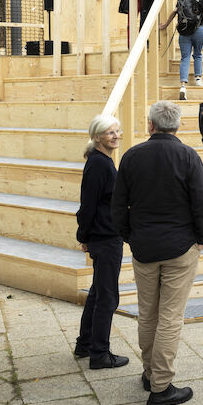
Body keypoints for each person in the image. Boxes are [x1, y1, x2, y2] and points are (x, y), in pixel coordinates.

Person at [111, 101, 203, 405]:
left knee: (149, 313)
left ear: (151, 125)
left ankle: (149, 374)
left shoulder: (131, 156)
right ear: (177, 126)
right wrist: (200, 237)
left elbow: (118, 206)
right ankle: (161, 386)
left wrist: (129, 236)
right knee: (170, 317)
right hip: (180, 247)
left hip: (144, 246)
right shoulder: (187, 156)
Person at [74, 115, 129, 370]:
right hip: (105, 238)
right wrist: (83, 236)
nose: (116, 135)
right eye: (110, 132)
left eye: (117, 131)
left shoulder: (103, 161)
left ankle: (85, 344)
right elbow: (88, 205)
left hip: (105, 236)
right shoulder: (99, 165)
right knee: (107, 297)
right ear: (97, 137)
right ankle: (100, 354)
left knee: (97, 293)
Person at [159, 0, 203, 100]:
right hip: (199, 30)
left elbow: (175, 12)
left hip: (184, 31)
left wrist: (165, 25)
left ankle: (183, 86)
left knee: (185, 57)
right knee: (197, 54)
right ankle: (198, 79)